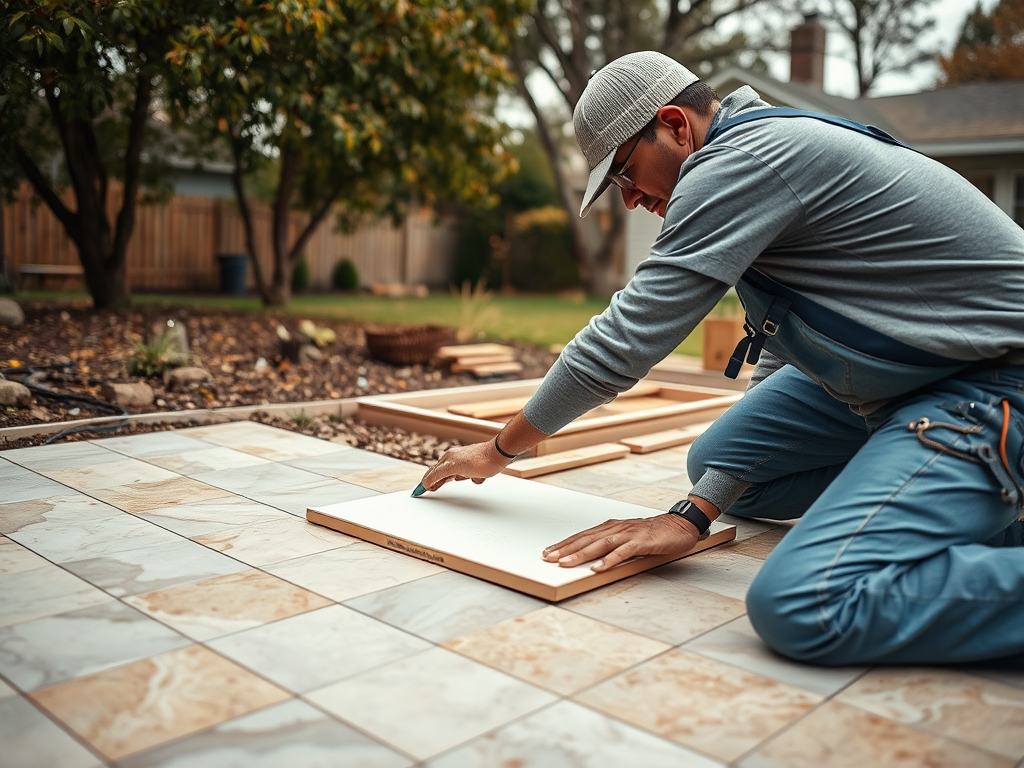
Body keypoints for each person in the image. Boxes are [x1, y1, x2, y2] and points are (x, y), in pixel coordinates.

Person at [419, 51, 1024, 667]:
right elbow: (787, 346)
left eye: (625, 173)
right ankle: (961, 511)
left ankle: (956, 501)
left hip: (991, 383)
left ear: (676, 126)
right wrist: (693, 514)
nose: (628, 200)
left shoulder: (738, 163)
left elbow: (624, 341)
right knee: (720, 466)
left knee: (805, 602)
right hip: (919, 376)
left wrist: (499, 451)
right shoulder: (761, 152)